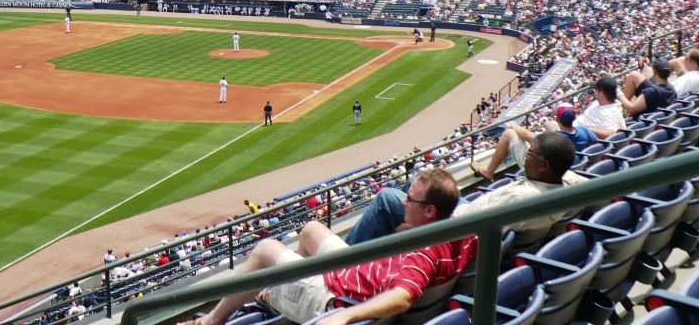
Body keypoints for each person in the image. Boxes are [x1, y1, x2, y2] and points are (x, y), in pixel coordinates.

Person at [185, 170, 474, 325]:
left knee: (265, 249)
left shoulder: (422, 254)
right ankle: (278, 289)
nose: (403, 202)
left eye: (411, 200)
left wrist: (345, 315)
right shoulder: (467, 232)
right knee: (311, 229)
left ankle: (213, 320)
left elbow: (403, 297)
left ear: (430, 211)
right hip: (357, 272)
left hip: (334, 296)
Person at [347, 132, 582, 244]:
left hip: (458, 221)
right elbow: (512, 135)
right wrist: (538, 142)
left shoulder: (519, 197)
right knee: (421, 180)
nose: (526, 155)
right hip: (474, 212)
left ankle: (341, 256)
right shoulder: (566, 181)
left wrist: (412, 225)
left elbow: (459, 226)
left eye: (531, 153)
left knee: (387, 198)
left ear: (542, 164)